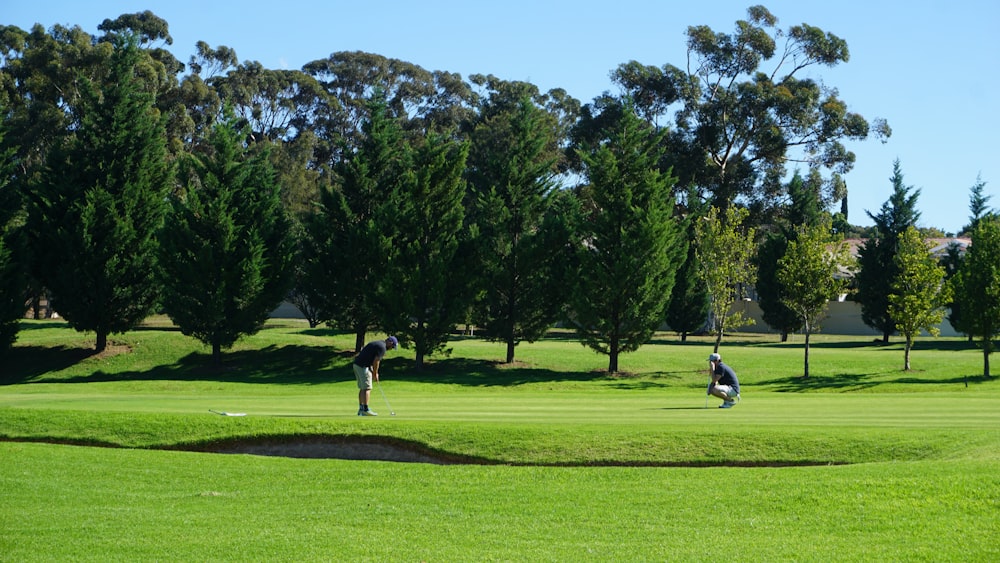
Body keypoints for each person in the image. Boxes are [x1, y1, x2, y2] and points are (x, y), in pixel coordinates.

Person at [353, 336, 398, 416]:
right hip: (362, 366)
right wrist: (375, 373)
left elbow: (370, 357)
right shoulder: (382, 347)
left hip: (357, 365)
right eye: (392, 346)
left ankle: (361, 409)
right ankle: (365, 409)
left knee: (363, 388)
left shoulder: (378, 343)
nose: (391, 348)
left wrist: (372, 370)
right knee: (367, 388)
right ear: (390, 342)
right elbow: (376, 361)